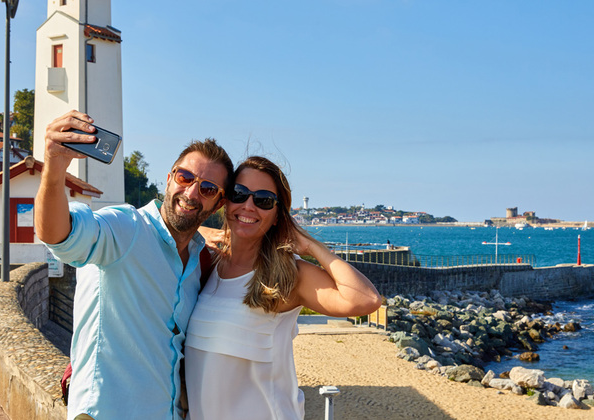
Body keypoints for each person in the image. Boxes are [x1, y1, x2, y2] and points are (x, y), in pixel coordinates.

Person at [35, 110, 234, 420]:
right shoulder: (125, 228)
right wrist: (54, 166)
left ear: (218, 203)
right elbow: (59, 235)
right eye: (185, 178)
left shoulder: (197, 262)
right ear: (169, 180)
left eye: (207, 189)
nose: (192, 192)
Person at [185, 156, 382, 420]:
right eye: (239, 194)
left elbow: (366, 299)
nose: (248, 205)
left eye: (263, 200)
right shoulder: (208, 263)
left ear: (278, 215)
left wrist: (313, 247)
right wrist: (202, 231)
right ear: (225, 201)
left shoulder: (287, 274)